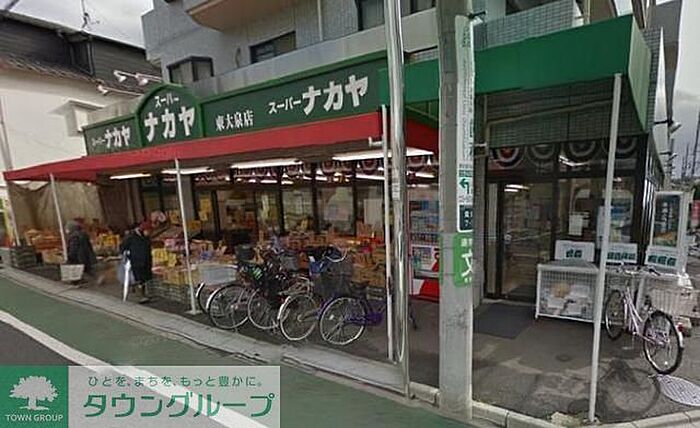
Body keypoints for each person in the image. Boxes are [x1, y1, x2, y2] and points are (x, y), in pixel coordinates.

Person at [120, 221, 153, 303]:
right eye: (148, 231)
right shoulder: (131, 237)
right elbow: (123, 247)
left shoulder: (146, 237)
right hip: (136, 261)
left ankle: (144, 294)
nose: (149, 233)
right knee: (139, 278)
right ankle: (141, 295)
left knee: (145, 278)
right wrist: (128, 256)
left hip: (146, 260)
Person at [66, 220, 98, 285]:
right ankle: (94, 279)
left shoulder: (74, 237)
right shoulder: (83, 234)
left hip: (79, 257)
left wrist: (69, 256)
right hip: (86, 257)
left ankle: (79, 282)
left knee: (79, 271)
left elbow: (73, 250)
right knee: (87, 270)